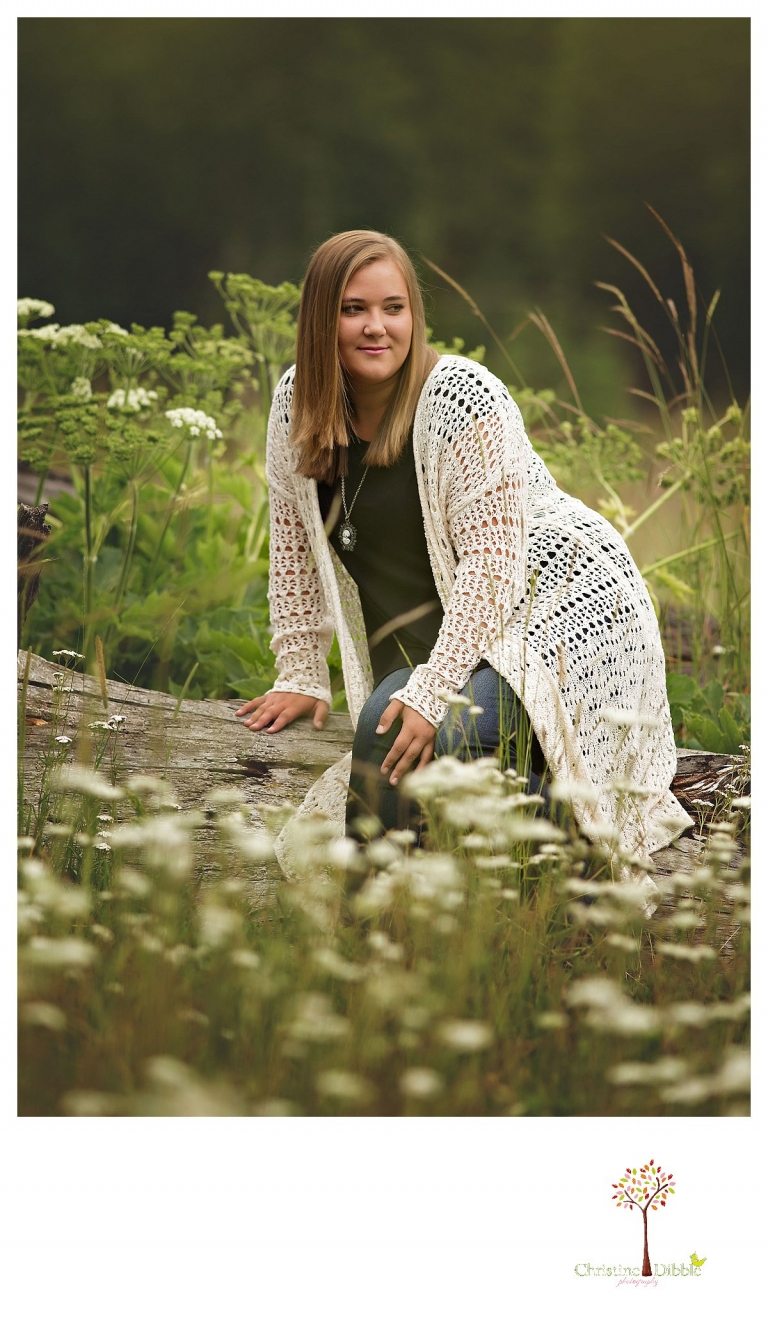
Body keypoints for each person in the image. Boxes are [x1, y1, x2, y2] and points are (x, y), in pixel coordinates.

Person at [235, 229, 692, 869]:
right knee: (395, 730)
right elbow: (292, 545)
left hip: (555, 622)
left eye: (394, 308)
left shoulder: (462, 401)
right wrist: (302, 672)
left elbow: (493, 570)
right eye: (353, 309)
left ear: (414, 316)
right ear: (320, 321)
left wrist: (433, 689)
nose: (376, 328)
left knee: (416, 732)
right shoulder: (295, 406)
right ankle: (419, 926)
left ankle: (539, 883)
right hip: (450, 638)